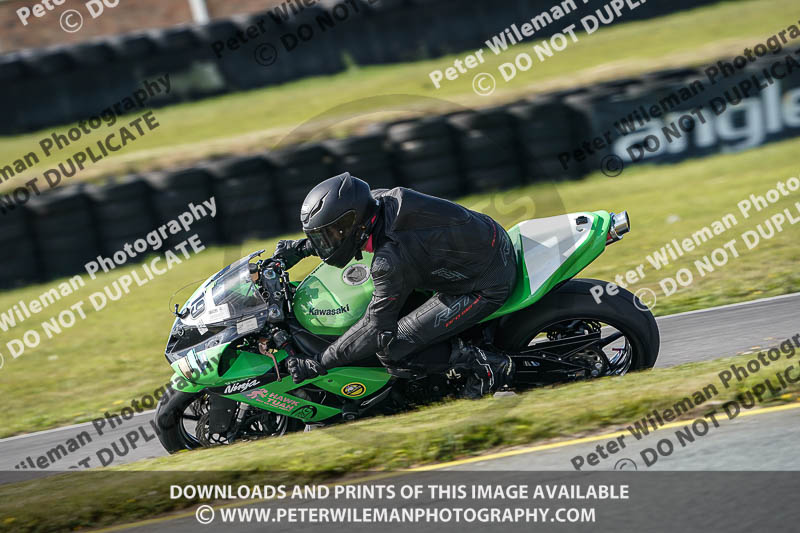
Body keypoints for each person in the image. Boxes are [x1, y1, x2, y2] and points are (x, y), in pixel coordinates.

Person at [274, 172, 517, 398]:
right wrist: (301, 249)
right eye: (320, 237)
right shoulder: (380, 200)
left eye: (327, 235)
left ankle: (487, 365)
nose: (324, 243)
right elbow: (343, 236)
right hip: (486, 241)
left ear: (352, 224)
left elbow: (376, 329)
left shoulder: (389, 261)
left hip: (484, 284)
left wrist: (319, 362)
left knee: (392, 349)